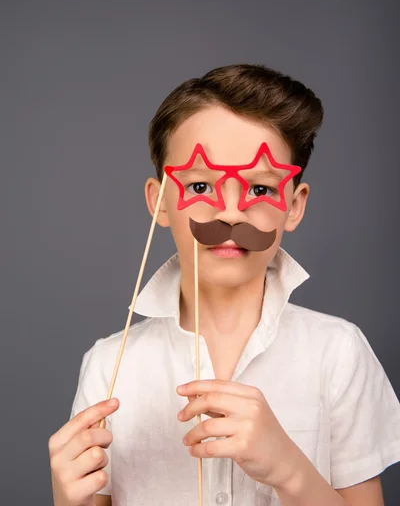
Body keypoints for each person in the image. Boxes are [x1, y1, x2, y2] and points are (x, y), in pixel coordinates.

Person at [49, 64, 400, 506]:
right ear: (160, 202)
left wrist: (289, 469)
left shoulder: (339, 352)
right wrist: (68, 500)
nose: (230, 214)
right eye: (199, 184)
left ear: (293, 206)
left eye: (259, 190)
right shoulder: (108, 366)